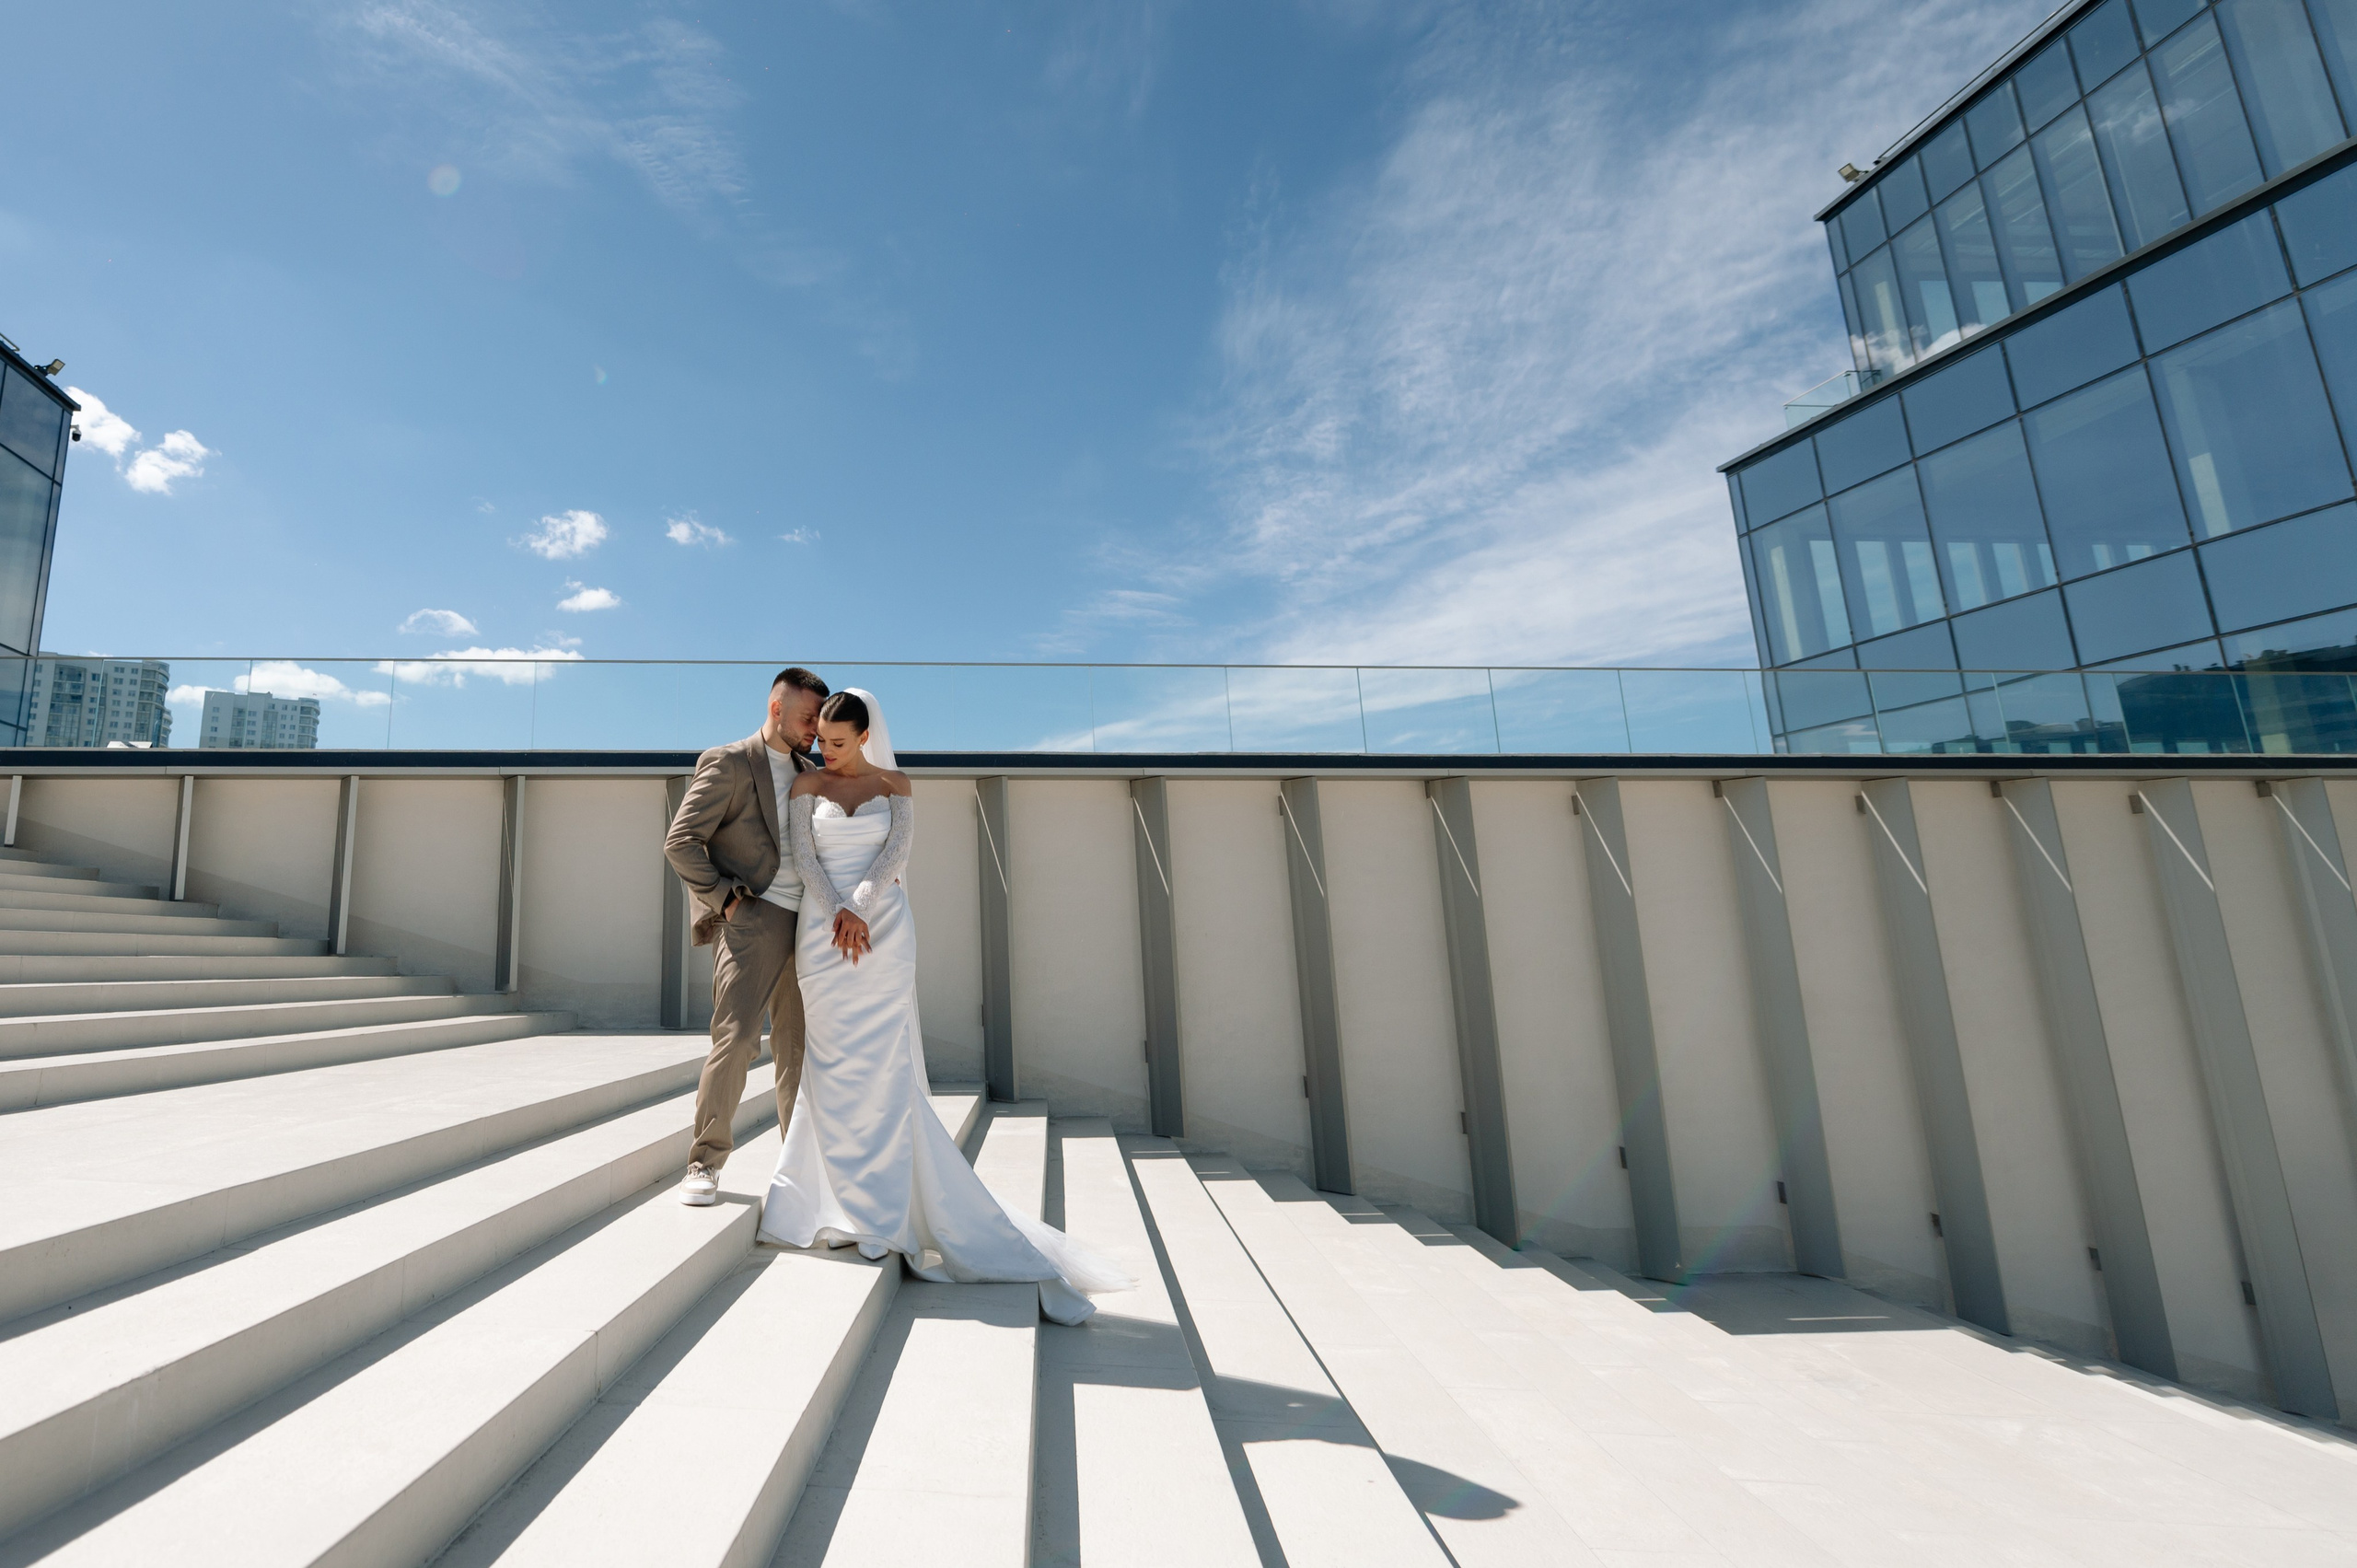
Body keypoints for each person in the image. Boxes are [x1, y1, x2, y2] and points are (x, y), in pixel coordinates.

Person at [756, 688, 1127, 1324]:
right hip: (822, 937)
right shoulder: (804, 788)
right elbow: (806, 860)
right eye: (821, 739)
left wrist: (860, 906)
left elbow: (894, 853)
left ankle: (883, 1210)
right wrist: (834, 910)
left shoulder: (897, 785)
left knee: (882, 1067)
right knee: (831, 1064)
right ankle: (828, 1201)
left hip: (880, 933)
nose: (826, 750)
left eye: (839, 742)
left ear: (866, 736)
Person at [664, 666, 831, 1205]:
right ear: (776, 707)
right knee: (736, 1039)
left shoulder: (813, 769)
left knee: (797, 1050)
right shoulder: (730, 761)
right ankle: (703, 1163)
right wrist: (725, 899)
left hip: (807, 925)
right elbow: (681, 840)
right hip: (753, 920)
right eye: (808, 717)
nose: (815, 728)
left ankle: (798, 1170)